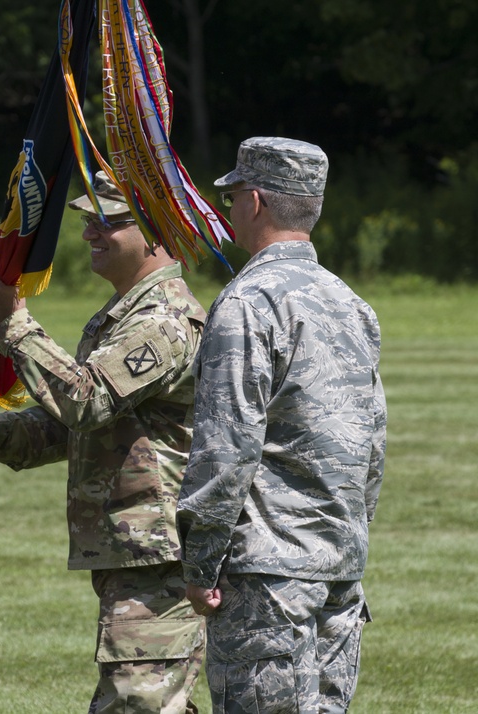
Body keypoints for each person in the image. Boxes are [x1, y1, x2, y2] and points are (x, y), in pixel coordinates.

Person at [0, 171, 207, 714]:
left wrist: (16, 323)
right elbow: (80, 424)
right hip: (135, 553)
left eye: (108, 221)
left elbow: (87, 400)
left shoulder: (162, 320)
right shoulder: (123, 313)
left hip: (158, 555)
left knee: (135, 706)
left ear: (153, 229)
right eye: (86, 220)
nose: (89, 233)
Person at [175, 137, 387, 713]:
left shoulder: (248, 302)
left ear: (257, 201)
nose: (227, 207)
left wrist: (200, 563)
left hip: (268, 578)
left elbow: (226, 446)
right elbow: (371, 444)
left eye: (234, 193)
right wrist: (349, 537)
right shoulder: (351, 303)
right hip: (339, 568)